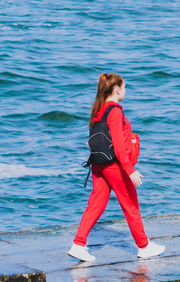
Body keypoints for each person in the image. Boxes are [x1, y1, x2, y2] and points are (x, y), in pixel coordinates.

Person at [68, 73, 165, 262]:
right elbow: (119, 146)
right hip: (115, 166)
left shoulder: (99, 110)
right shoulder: (114, 111)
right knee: (131, 205)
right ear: (117, 89)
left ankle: (78, 244)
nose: (126, 91)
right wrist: (129, 169)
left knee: (95, 205)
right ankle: (144, 246)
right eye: (125, 87)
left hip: (98, 165)